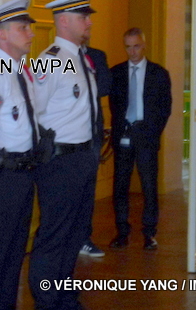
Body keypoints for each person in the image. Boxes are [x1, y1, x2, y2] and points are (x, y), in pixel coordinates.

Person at [29, 0, 100, 310]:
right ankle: (46, 300)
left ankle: (65, 296)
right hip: (59, 161)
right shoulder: (52, 60)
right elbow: (36, 111)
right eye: (83, 17)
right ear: (64, 21)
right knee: (55, 234)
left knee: (75, 233)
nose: (89, 23)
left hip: (83, 156)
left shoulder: (82, 59)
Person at [0, 0, 39, 310]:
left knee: (15, 252)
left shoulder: (21, 71)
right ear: (1, 34)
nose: (31, 33)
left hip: (25, 172)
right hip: (2, 175)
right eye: (22, 28)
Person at [108, 27, 172, 251]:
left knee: (149, 186)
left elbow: (165, 108)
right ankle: (122, 231)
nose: (132, 51)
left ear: (143, 45)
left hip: (147, 136)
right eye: (128, 47)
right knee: (120, 185)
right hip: (124, 135)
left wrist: (152, 131)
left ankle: (149, 233)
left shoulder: (158, 73)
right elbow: (114, 105)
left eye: (136, 46)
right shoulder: (116, 73)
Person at [78, 36, 110, 258]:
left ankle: (84, 238)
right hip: (67, 138)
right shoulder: (56, 58)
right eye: (82, 20)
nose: (87, 26)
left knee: (88, 188)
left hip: (92, 131)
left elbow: (105, 86)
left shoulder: (96, 56)